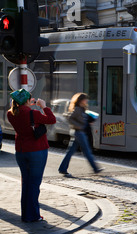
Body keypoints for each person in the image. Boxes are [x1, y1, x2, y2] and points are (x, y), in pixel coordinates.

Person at [7, 89, 56, 222]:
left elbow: (22, 114)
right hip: (37, 151)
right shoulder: (33, 113)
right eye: (30, 99)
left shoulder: (10, 113)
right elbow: (52, 120)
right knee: (34, 184)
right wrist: (43, 107)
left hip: (21, 152)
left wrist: (29, 105)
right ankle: (33, 216)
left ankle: (26, 215)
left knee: (26, 183)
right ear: (28, 101)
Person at [58, 93, 103, 177]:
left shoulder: (82, 109)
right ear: (81, 100)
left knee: (71, 152)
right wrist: (77, 125)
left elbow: (80, 119)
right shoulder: (78, 109)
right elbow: (70, 118)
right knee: (87, 151)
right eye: (85, 99)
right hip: (78, 132)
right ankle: (95, 168)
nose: (87, 101)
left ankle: (62, 168)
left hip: (79, 132)